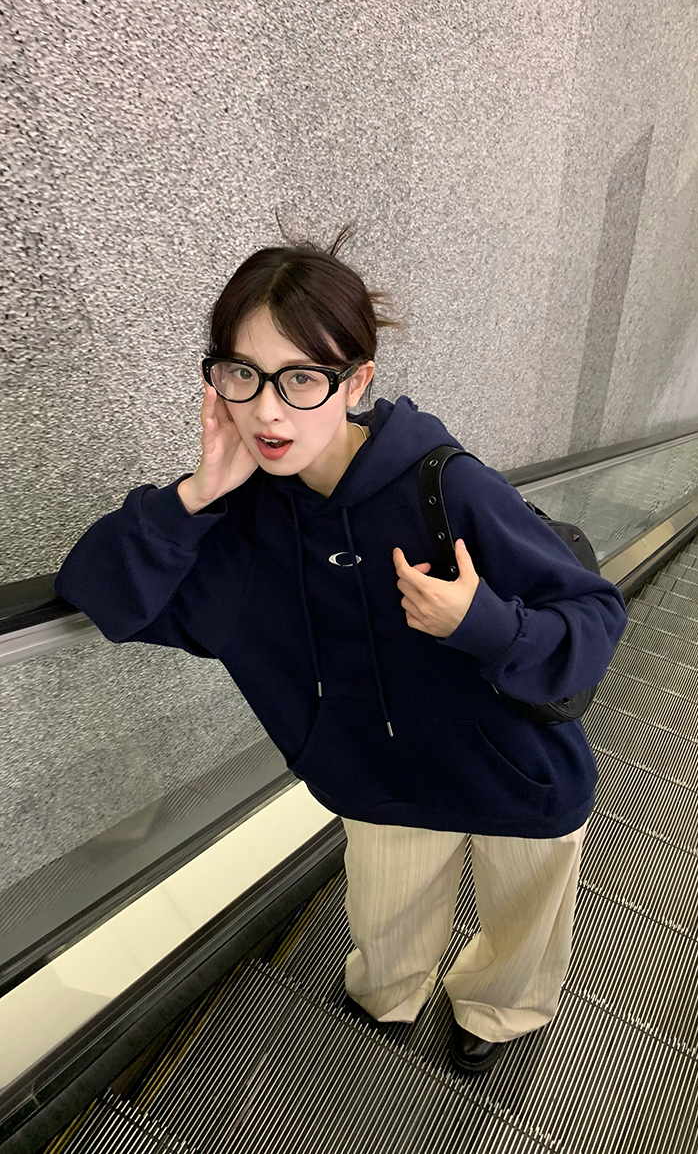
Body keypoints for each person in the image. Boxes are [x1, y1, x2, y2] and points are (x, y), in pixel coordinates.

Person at [53, 216, 629, 1074]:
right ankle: (388, 1000)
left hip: (517, 776)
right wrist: (197, 492)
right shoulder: (239, 525)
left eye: (301, 378)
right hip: (375, 782)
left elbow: (594, 618)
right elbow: (101, 595)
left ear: (355, 380)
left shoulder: (447, 487)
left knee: (524, 932)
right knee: (385, 936)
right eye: (242, 374)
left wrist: (481, 623)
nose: (267, 410)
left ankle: (501, 1013)